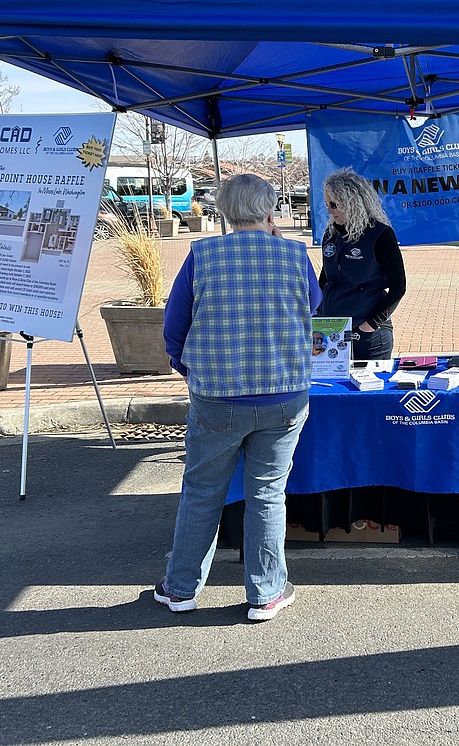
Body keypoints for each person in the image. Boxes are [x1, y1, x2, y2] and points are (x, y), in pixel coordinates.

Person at [155, 174, 322, 622]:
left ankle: (180, 587)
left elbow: (175, 324)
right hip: (284, 394)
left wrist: (185, 366)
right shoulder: (294, 255)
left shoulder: (202, 254)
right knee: (267, 493)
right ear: (271, 211)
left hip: (217, 394)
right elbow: (313, 308)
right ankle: (266, 592)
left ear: (225, 213)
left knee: (202, 491)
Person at [319, 168, 406, 360]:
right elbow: (326, 278)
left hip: (368, 334)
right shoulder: (331, 234)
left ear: (352, 202)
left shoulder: (380, 235)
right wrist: (318, 313)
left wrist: (371, 324)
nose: (329, 211)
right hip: (332, 331)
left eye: (333, 205)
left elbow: (398, 287)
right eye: (327, 204)